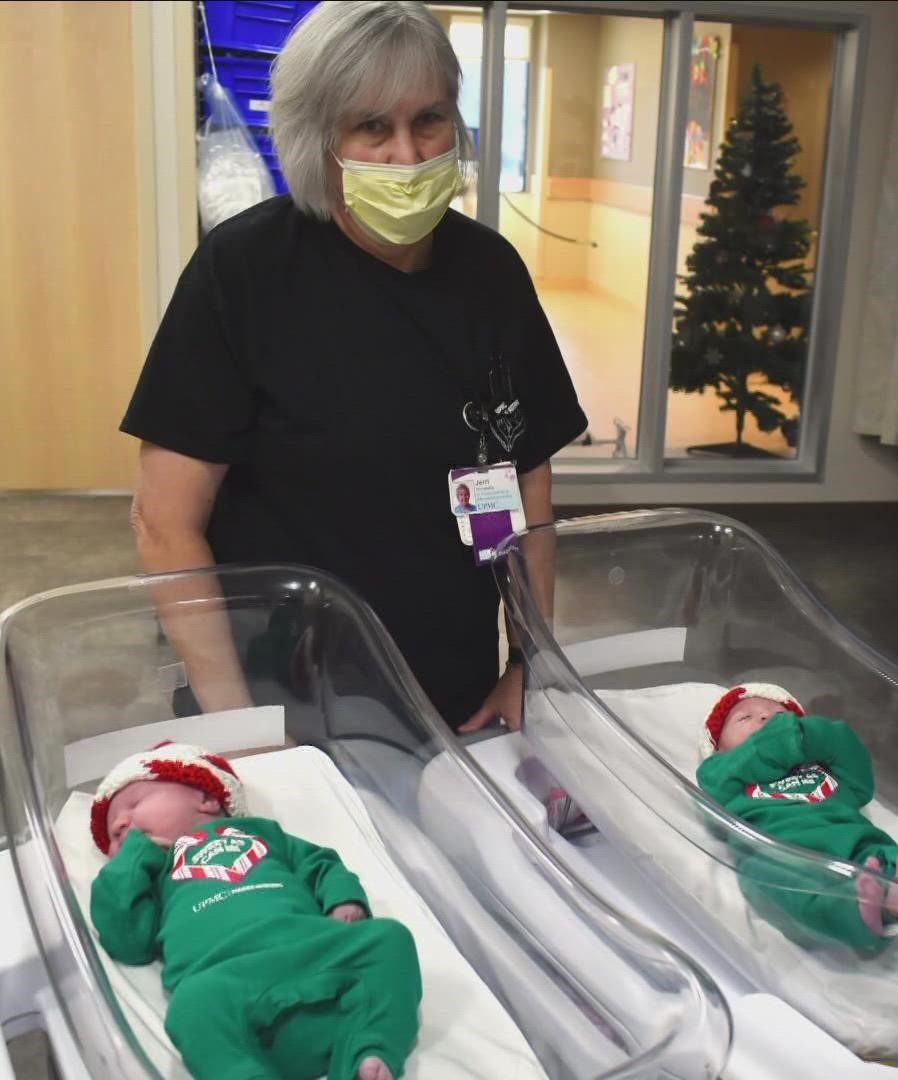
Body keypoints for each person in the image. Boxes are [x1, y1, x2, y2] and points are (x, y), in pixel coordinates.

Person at [122, 1, 585, 732]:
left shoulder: (489, 273)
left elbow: (526, 483)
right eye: (373, 127)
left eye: (427, 119)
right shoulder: (243, 273)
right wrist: (239, 728)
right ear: (318, 139)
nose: (407, 154)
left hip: (454, 694)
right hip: (285, 699)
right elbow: (164, 523)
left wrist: (530, 665)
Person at [89, 742, 422, 1080]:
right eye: (114, 834)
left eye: (134, 803)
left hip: (315, 957)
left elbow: (320, 863)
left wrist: (343, 900)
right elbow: (127, 940)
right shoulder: (151, 874)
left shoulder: (263, 833)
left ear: (207, 797)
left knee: (390, 939)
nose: (121, 825)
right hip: (231, 985)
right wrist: (130, 861)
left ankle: (367, 1050)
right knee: (191, 1007)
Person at [695, 684, 898, 952]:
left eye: (777, 715)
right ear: (717, 747)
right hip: (778, 852)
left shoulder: (825, 768)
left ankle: (895, 899)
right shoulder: (721, 774)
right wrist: (783, 735)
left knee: (885, 855)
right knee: (776, 886)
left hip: (849, 837)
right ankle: (857, 914)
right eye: (745, 717)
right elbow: (717, 799)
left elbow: (847, 750)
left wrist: (804, 736)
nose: (764, 718)